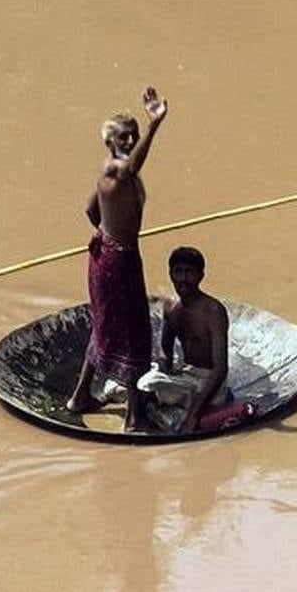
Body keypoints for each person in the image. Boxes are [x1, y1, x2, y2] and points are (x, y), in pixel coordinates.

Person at [66, 86, 169, 432]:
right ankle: (133, 416)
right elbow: (129, 169)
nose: (130, 142)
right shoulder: (116, 170)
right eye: (125, 138)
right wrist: (155, 123)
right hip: (117, 261)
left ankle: (81, 397)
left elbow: (90, 209)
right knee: (132, 332)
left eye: (134, 136)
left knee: (107, 326)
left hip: (112, 254)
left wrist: (108, 232)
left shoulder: (115, 173)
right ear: (111, 143)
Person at [139, 246, 230, 434]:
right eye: (177, 272)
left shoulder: (213, 311)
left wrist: (193, 414)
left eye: (189, 273)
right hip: (185, 376)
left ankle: (186, 410)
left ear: (200, 276)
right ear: (170, 273)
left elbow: (220, 368)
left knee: (160, 394)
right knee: (145, 381)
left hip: (208, 380)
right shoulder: (171, 307)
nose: (182, 279)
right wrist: (164, 367)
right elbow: (166, 350)